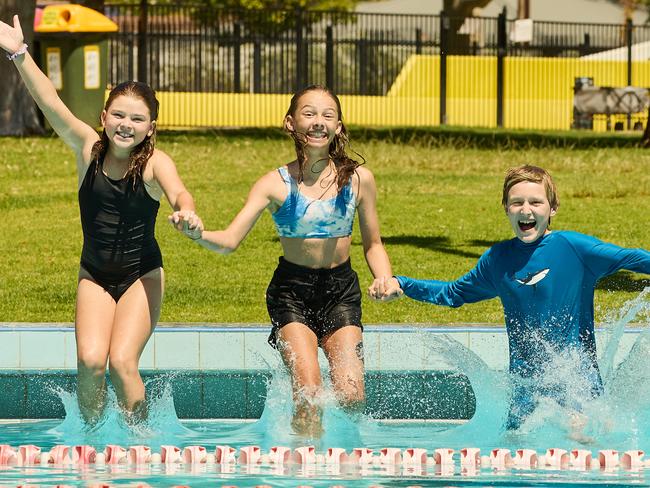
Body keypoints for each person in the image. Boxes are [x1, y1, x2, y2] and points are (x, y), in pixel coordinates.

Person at [0, 15, 202, 423]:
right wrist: (20, 53)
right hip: (94, 272)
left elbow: (178, 188)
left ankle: (140, 444)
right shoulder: (86, 149)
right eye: (119, 115)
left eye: (137, 119)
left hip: (141, 274)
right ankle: (93, 444)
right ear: (104, 116)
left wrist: (187, 210)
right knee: (91, 362)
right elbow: (51, 104)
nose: (126, 125)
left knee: (122, 362)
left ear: (151, 127)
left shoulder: (153, 163)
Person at [174, 85, 393, 436]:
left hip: (340, 290)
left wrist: (384, 277)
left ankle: (344, 465)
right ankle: (304, 466)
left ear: (338, 126)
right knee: (308, 394)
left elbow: (373, 243)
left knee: (352, 396)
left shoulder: (358, 180)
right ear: (290, 123)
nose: (318, 122)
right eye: (309, 113)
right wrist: (199, 235)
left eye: (327, 115)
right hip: (292, 292)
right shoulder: (273, 185)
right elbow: (230, 241)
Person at [375, 165, 650, 429]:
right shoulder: (498, 260)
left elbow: (633, 258)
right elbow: (453, 293)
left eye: (536, 202)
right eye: (517, 202)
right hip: (525, 396)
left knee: (578, 435)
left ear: (553, 208)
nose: (526, 210)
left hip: (578, 388)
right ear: (506, 208)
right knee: (518, 448)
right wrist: (403, 283)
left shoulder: (574, 249)